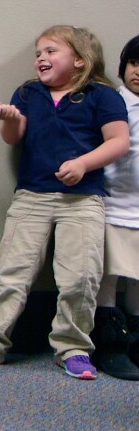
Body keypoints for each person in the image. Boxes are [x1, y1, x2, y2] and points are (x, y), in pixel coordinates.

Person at [0, 25, 130, 380]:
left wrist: (84, 163)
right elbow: (14, 138)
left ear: (80, 59)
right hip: (32, 196)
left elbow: (118, 141)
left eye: (51, 51)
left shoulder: (102, 95)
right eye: (38, 53)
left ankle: (73, 347)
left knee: (80, 278)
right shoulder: (28, 93)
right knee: (11, 272)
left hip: (83, 199)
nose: (41, 58)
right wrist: (9, 119)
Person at [89, 34, 139, 380]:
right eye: (135, 64)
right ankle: (109, 341)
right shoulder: (113, 102)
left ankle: (134, 337)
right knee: (108, 274)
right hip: (113, 205)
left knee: (137, 279)